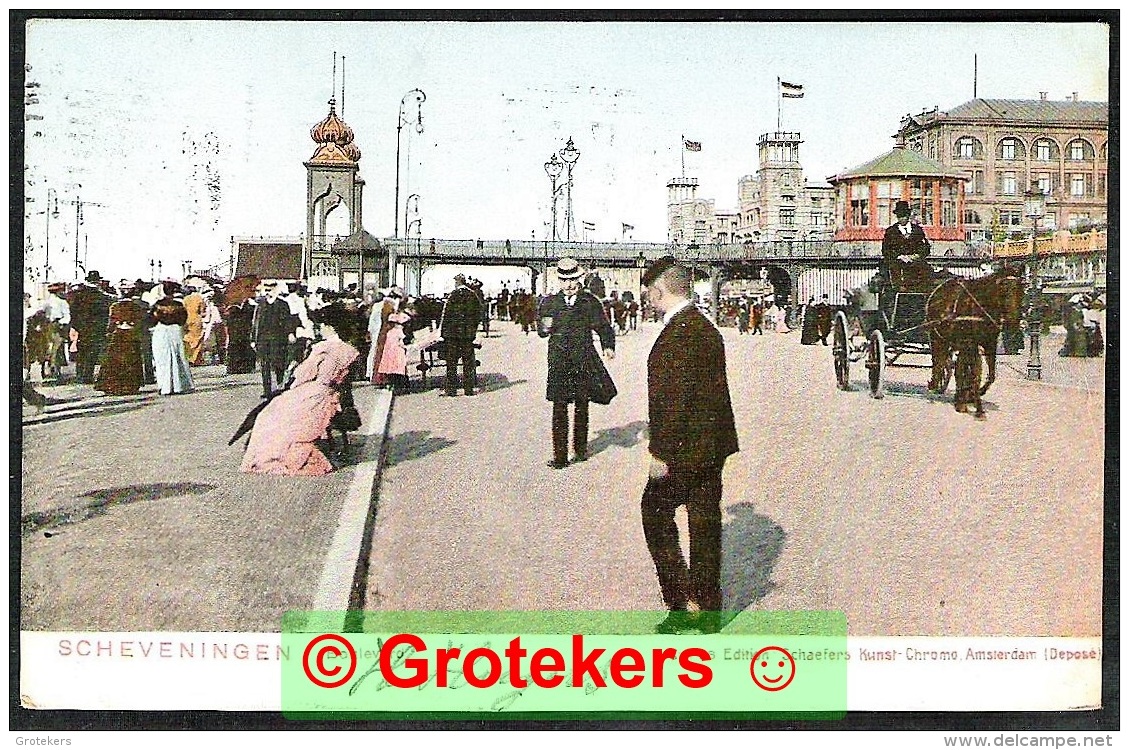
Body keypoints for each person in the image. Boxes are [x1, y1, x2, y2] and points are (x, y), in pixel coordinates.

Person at [639, 256, 738, 634]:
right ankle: (708, 609)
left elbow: (674, 399)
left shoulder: (678, 332)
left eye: (649, 292)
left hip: (682, 449)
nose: (647, 299)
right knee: (704, 521)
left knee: (654, 511)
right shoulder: (704, 327)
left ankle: (680, 602)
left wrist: (660, 453)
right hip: (713, 445)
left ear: (660, 290)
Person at [240, 305, 360, 477]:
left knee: (272, 412)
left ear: (329, 327)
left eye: (321, 326)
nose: (320, 329)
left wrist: (293, 384)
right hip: (332, 394)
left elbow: (304, 374)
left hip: (316, 393)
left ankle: (270, 451)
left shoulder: (323, 348)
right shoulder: (349, 350)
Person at [537, 257, 615, 469]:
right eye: (564, 280)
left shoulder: (590, 302)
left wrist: (608, 346)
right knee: (559, 407)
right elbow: (541, 330)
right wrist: (544, 328)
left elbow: (604, 327)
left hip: (583, 359)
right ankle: (560, 456)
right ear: (559, 280)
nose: (569, 285)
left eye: (572, 280)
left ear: (579, 279)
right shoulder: (550, 302)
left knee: (582, 405)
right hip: (559, 360)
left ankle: (580, 449)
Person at [95, 293, 146, 396]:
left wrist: (111, 330)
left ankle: (113, 385)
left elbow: (111, 323)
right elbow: (140, 322)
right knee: (131, 359)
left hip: (118, 335)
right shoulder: (136, 307)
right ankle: (130, 385)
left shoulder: (115, 307)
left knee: (114, 360)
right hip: (131, 335)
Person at [252, 280, 297, 398]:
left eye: (270, 289)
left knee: (278, 362)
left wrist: (290, 333)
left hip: (278, 338)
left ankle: (279, 385)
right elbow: (255, 322)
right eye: (266, 290)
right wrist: (253, 338)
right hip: (263, 339)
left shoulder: (283, 304)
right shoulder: (260, 304)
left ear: (275, 289)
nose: (268, 292)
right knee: (264, 364)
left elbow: (288, 321)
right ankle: (267, 390)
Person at [439, 274, 482, 396]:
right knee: (468, 362)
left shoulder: (452, 295)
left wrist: (443, 333)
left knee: (451, 362)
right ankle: (468, 389)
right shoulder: (473, 295)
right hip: (467, 335)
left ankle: (452, 390)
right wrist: (473, 329)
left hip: (452, 335)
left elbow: (446, 315)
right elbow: (478, 313)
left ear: (457, 283)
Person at [68, 270, 112, 384]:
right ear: (98, 281)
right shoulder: (102, 296)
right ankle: (87, 376)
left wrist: (75, 326)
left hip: (81, 328)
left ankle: (79, 375)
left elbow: (73, 311)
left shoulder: (78, 294)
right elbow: (106, 313)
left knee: (81, 351)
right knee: (92, 352)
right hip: (97, 328)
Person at [150, 285, 194, 396]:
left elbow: (152, 320)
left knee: (163, 359)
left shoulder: (158, 305)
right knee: (179, 356)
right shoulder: (179, 305)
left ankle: (164, 386)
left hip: (161, 330)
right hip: (176, 330)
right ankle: (181, 385)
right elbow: (183, 319)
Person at [881, 200, 932, 293]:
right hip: (897, 266)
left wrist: (915, 256)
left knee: (926, 273)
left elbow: (925, 247)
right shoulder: (891, 231)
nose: (902, 219)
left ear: (908, 216)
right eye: (899, 216)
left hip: (916, 265)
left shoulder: (917, 230)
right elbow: (885, 250)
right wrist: (899, 256)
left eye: (904, 216)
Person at [377, 292, 413, 393]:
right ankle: (402, 383)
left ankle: (392, 382)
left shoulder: (391, 317)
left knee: (390, 360)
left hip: (391, 337)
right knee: (400, 360)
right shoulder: (406, 317)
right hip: (400, 337)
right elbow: (409, 328)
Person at [182, 286, 207, 365]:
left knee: (188, 339)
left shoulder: (185, 299)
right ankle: (195, 359)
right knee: (198, 339)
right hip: (197, 320)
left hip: (187, 320)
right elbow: (202, 311)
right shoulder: (199, 298)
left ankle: (188, 357)